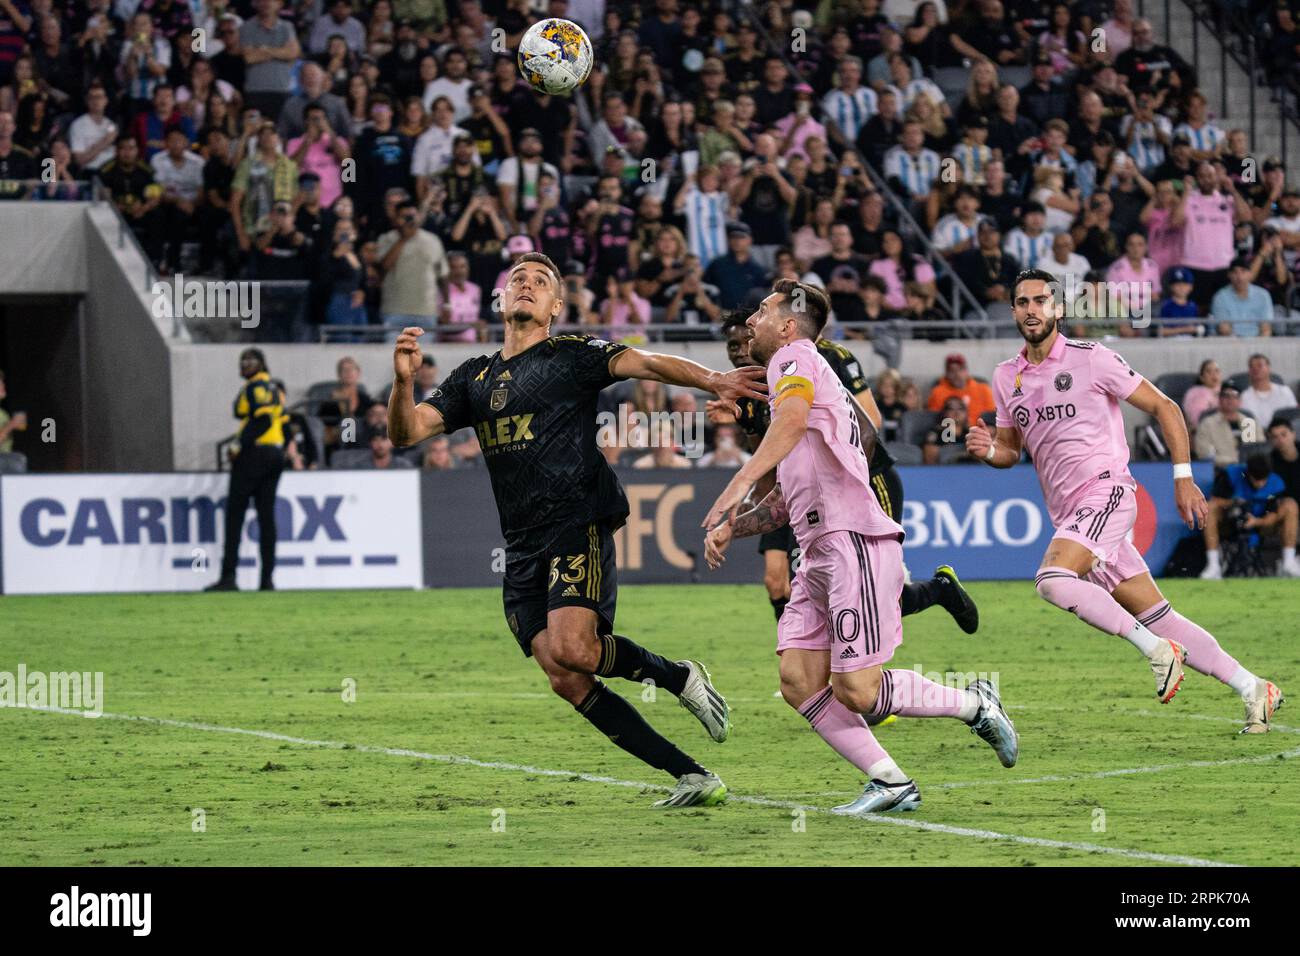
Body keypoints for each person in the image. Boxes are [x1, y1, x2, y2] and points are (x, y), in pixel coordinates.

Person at [388, 252, 770, 808]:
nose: (526, 285)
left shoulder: (572, 355)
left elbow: (647, 363)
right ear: (500, 299)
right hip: (521, 542)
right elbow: (407, 432)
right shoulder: (473, 376)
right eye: (517, 278)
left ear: (555, 307)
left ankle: (677, 676)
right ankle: (692, 775)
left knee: (575, 649)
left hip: (577, 519)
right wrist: (402, 383)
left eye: (540, 281)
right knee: (565, 676)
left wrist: (716, 380)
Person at [702, 280, 1017, 816]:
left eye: (761, 310)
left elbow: (792, 422)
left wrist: (735, 484)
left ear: (787, 324)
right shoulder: (796, 376)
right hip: (817, 549)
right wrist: (741, 524)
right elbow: (788, 496)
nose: (751, 320)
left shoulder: (795, 357)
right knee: (799, 681)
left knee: (858, 690)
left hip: (853, 543)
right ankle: (890, 781)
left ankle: (975, 703)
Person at [968, 269, 1283, 733]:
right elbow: (1013, 450)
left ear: (1057, 308)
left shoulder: (1092, 358)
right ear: (1013, 310)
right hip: (1074, 513)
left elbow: (1166, 408)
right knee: (1161, 616)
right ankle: (1254, 687)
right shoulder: (1006, 376)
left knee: (1052, 580)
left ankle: (1156, 651)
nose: (1031, 309)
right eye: (1021, 302)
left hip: (1108, 492)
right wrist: (989, 451)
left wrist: (1182, 479)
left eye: (1040, 301)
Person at [710, 312, 979, 632]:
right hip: (793, 494)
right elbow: (767, 457)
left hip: (861, 480)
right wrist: (745, 511)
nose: (741, 349)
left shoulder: (822, 359)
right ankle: (799, 661)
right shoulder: (745, 393)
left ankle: (938, 590)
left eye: (748, 337)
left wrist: (838, 479)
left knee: (876, 595)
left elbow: (870, 425)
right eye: (733, 345)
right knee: (781, 581)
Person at [207, 349, 286, 593]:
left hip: (254, 455)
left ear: (261, 364)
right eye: (242, 361)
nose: (244, 365)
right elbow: (281, 420)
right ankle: (267, 580)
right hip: (274, 453)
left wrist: (238, 444)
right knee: (266, 517)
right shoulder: (274, 388)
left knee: (235, 516)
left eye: (250, 361)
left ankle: (229, 576)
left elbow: (261, 420)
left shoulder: (256, 387)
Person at [1201, 454, 1300, 579]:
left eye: (1263, 479)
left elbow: (1274, 513)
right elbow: (1215, 499)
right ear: (1248, 473)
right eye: (1256, 479)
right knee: (1209, 507)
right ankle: (1213, 565)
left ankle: (1289, 563)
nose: (1260, 483)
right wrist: (1233, 503)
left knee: (1291, 505)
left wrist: (1257, 522)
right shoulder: (1231, 475)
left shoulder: (1275, 482)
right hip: (1231, 522)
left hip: (1262, 524)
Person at [1195, 384, 1258, 469]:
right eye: (1226, 396)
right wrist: (1234, 462)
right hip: (1222, 471)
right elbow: (1204, 454)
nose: (1230, 399)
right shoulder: (1207, 424)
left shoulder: (1249, 423)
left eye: (1235, 396)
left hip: (1252, 470)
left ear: (1240, 400)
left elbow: (1260, 449)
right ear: (1220, 399)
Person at [926, 353, 995, 425]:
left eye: (960, 369)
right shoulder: (937, 392)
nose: (957, 374)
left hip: (979, 431)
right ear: (946, 373)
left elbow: (992, 417)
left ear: (966, 371)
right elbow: (934, 420)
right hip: (951, 432)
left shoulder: (984, 390)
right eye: (952, 370)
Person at [1239, 354, 1298, 427]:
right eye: (1252, 366)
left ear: (1268, 368)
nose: (1255, 369)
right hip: (1257, 435)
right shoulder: (1244, 396)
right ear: (1249, 371)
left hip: (1283, 434)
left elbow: (1294, 417)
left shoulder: (1284, 391)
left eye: (1259, 365)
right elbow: (1244, 423)